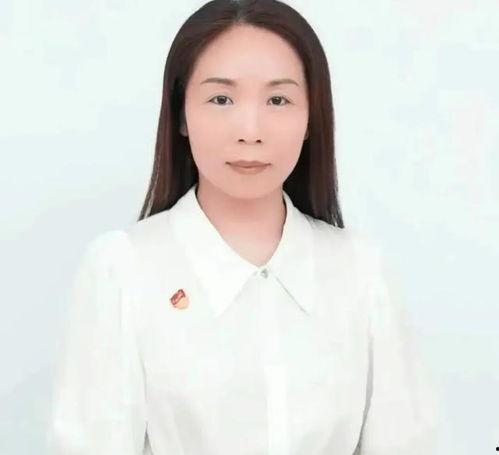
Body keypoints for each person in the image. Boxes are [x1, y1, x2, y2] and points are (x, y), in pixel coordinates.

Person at [46, 0, 442, 454]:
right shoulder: (123, 269)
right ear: (180, 115)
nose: (250, 131)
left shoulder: (361, 271)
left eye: (278, 100)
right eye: (221, 99)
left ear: (311, 117)